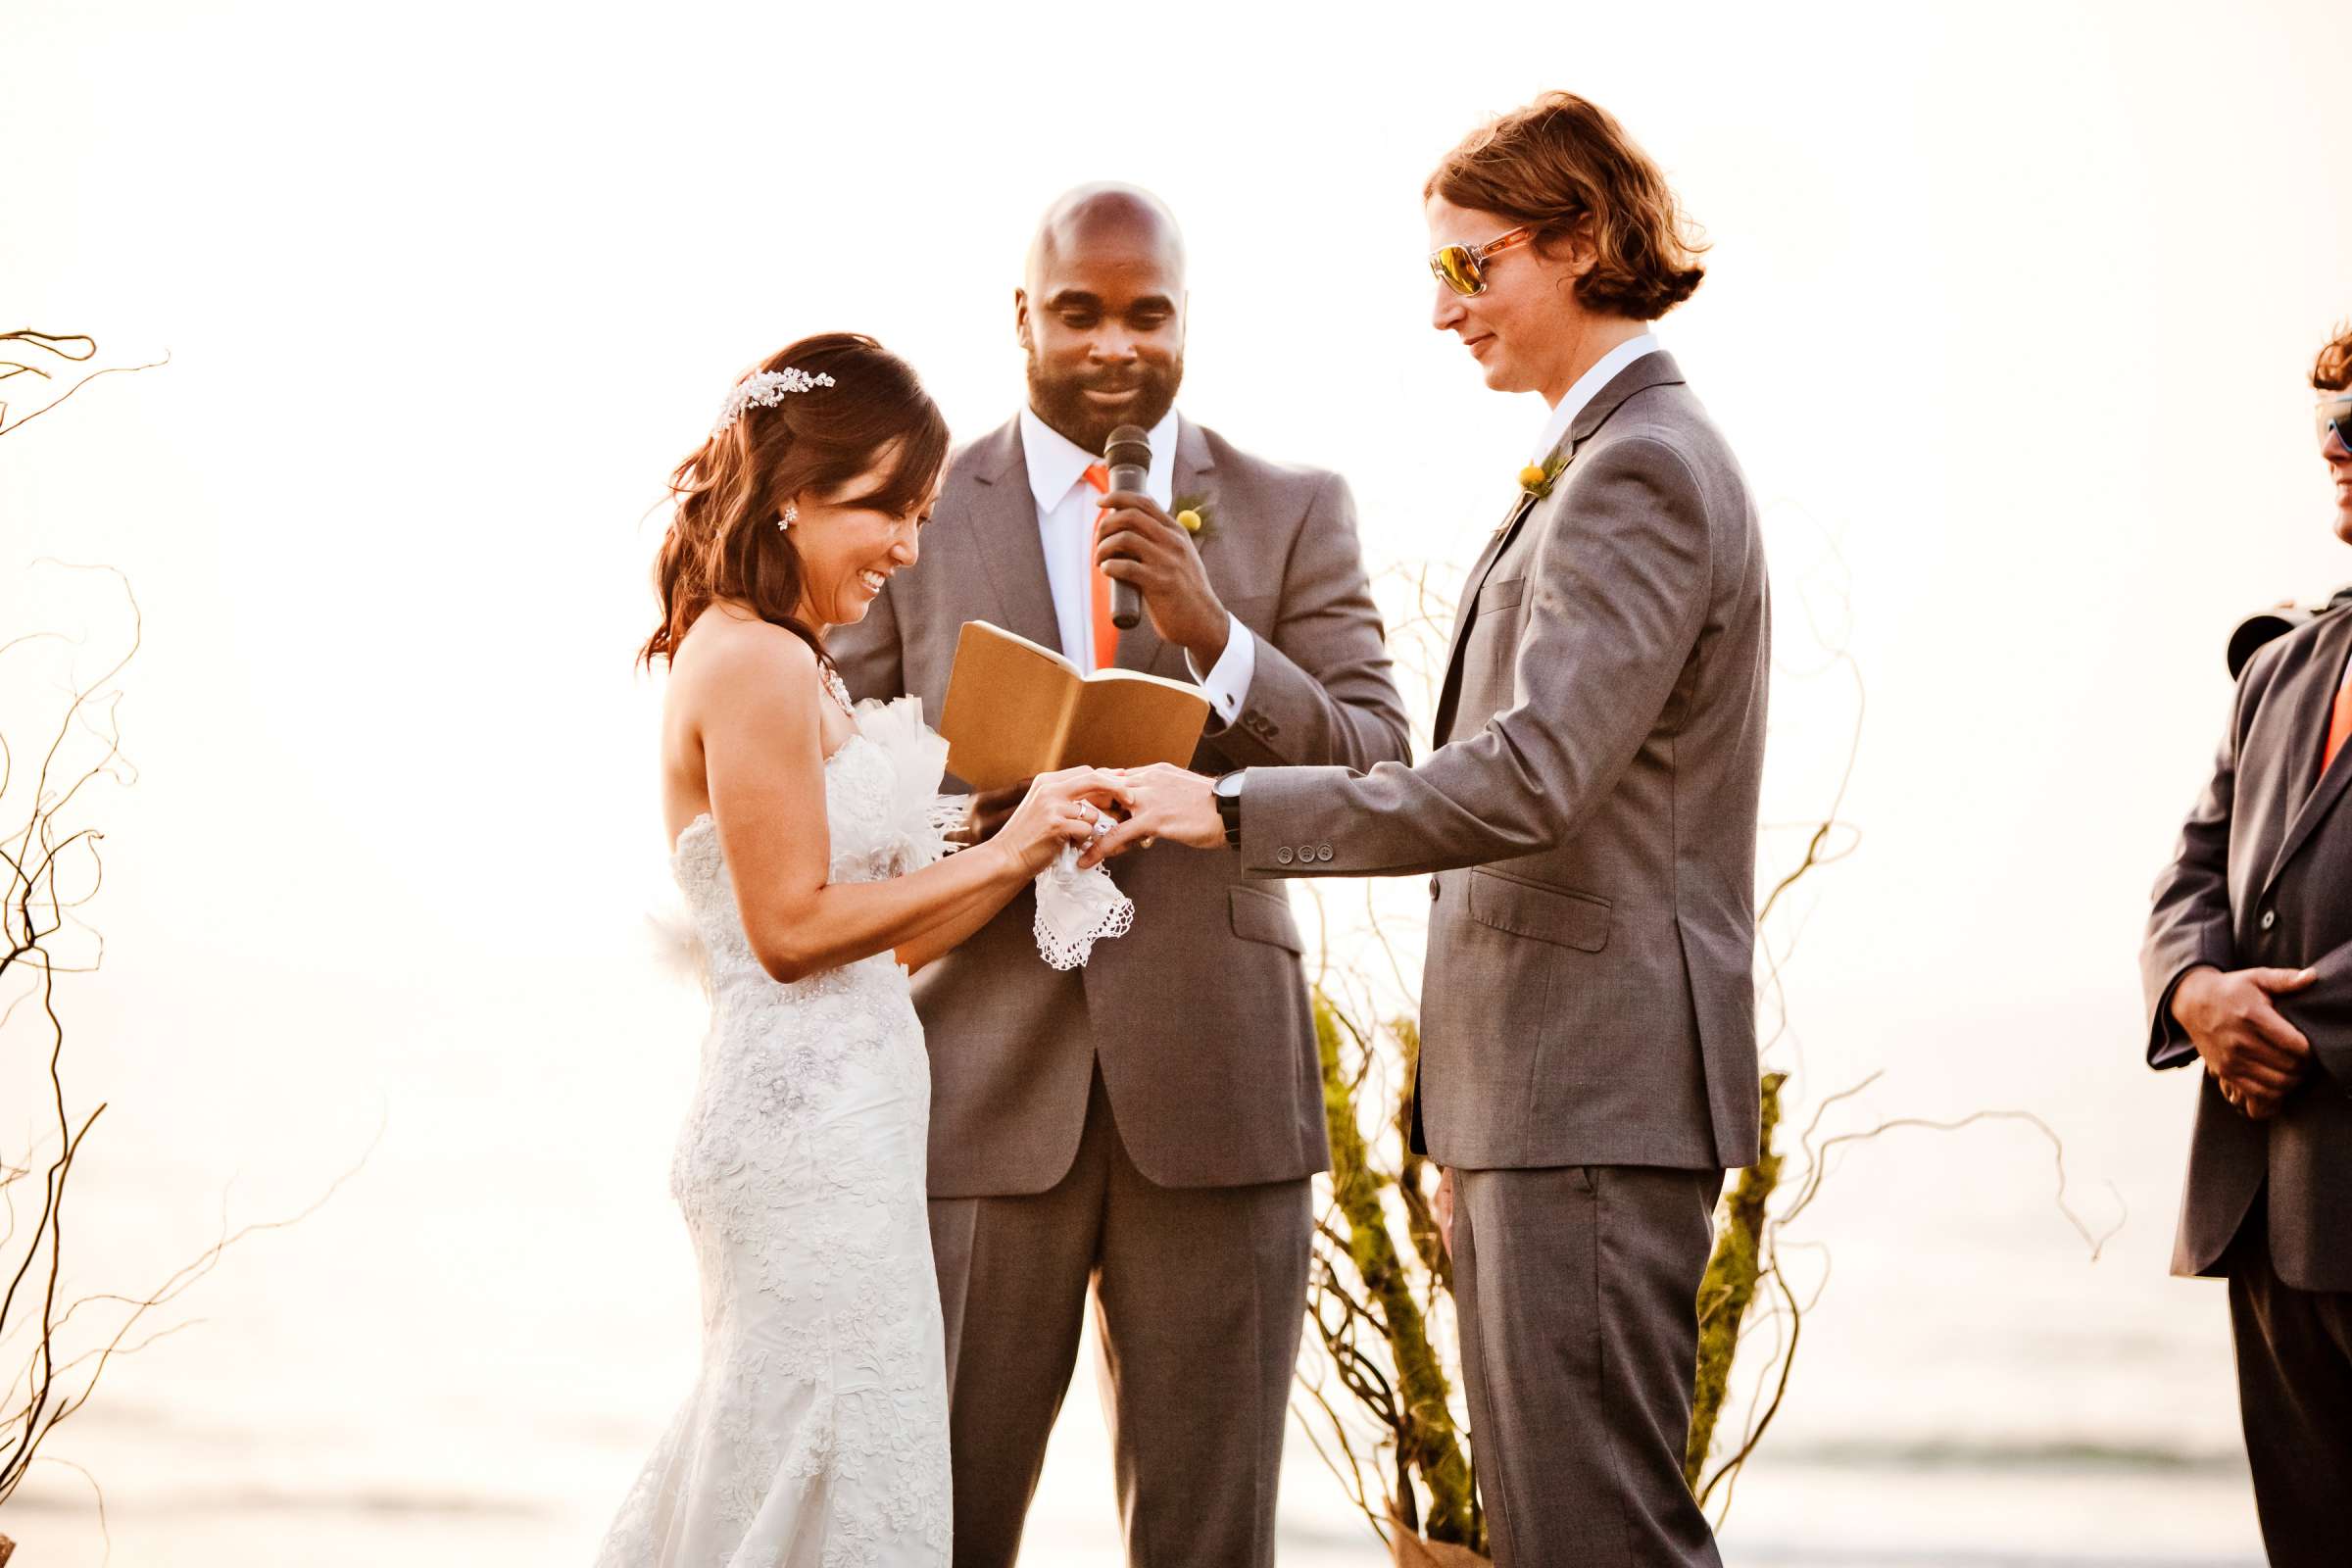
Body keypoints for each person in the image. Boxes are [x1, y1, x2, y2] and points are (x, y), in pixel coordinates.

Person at [1095, 95, 1767, 1568]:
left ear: (1582, 242)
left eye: (1471, 267)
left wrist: (1231, 807)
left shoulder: (1637, 470)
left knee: (1598, 1538)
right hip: (1548, 1093)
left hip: (1589, 1089)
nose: (1445, 311)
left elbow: (1527, 779)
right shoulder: (1607, 459)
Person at [828, 186, 1409, 1568]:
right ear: (1022, 316)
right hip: (975, 1084)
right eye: (1079, 311)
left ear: (1185, 320)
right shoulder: (907, 514)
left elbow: (1382, 772)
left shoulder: (1292, 509)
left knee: (1210, 1542)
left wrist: (1221, 642)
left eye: (1147, 314)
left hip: (1218, 1088)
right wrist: (1000, 823)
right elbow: (837, 800)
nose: (1113, 346)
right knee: (941, 1529)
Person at [593, 332, 1128, 1567]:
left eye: (924, 513)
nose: (908, 547)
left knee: (846, 1463)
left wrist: (1027, 844)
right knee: (812, 1459)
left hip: (854, 1127)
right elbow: (786, 933)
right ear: (792, 493)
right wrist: (1001, 853)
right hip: (801, 1147)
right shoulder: (750, 659)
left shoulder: (798, 663)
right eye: (886, 508)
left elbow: (874, 952)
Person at [2140, 319, 2352, 1568]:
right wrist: (2195, 990)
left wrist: (2278, 1028)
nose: (2335, 450)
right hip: (2267, 1205)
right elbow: (2188, 868)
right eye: (2326, 425)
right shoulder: (2280, 665)